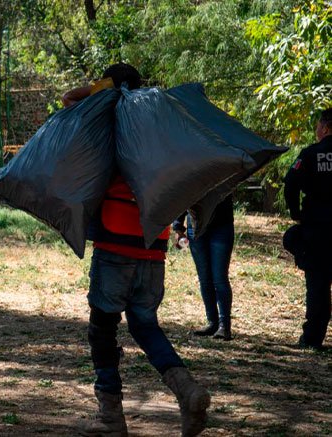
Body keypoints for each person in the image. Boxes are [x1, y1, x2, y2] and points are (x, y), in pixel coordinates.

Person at [80, 63, 210, 437]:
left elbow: (69, 101)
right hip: (152, 247)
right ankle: (187, 391)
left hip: (114, 244)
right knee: (144, 324)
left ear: (110, 85)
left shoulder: (108, 119)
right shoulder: (160, 127)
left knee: (102, 329)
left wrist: (102, 89)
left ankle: (110, 418)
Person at [283, 108, 332, 351]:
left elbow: (290, 183)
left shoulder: (311, 154)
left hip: (317, 229)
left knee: (318, 285)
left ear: (325, 127)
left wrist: (296, 213)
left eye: (318, 125)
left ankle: (312, 338)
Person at [173, 195, 235, 340]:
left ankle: (224, 326)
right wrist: (178, 227)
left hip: (221, 225)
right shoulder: (189, 172)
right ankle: (212, 322)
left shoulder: (223, 172)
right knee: (204, 278)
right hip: (196, 225)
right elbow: (184, 193)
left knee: (219, 277)